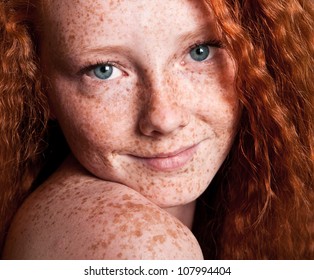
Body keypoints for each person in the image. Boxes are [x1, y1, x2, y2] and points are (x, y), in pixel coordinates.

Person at [0, 0, 313, 259]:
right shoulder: (141, 247)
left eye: (200, 51)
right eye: (103, 70)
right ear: (40, 86)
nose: (163, 118)